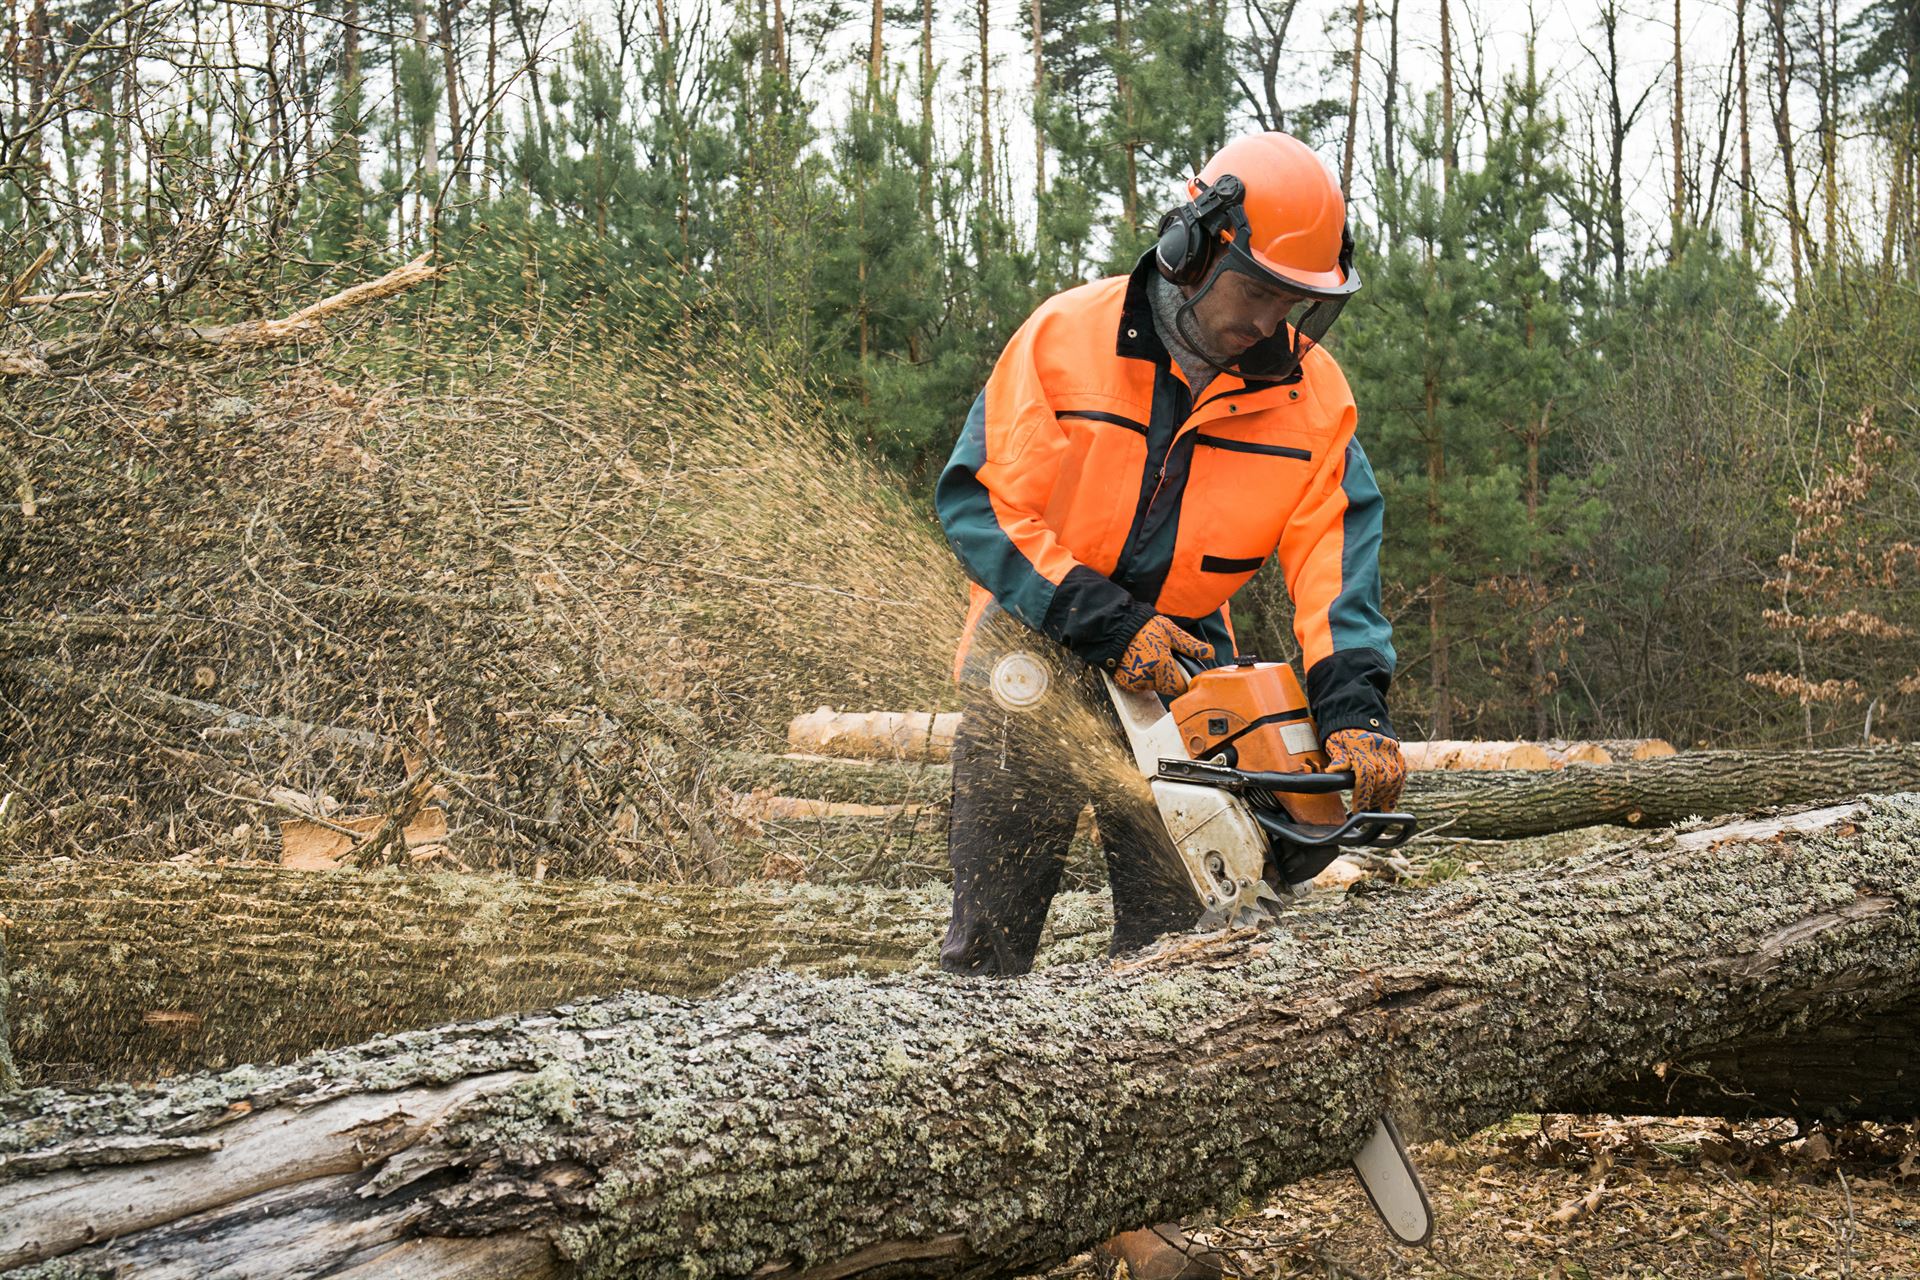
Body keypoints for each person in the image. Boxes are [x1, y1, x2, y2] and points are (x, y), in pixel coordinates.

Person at [932, 129, 1405, 1280]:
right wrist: (1104, 621)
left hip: (1189, 675)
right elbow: (981, 502)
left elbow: (1334, 558)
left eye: (1294, 302)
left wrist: (1353, 707)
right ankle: (954, 1189)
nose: (1266, 323)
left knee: (1169, 949)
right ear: (1192, 249)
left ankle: (1126, 1213)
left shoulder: (1308, 390)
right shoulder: (1067, 337)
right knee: (993, 937)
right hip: (1041, 654)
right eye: (1254, 291)